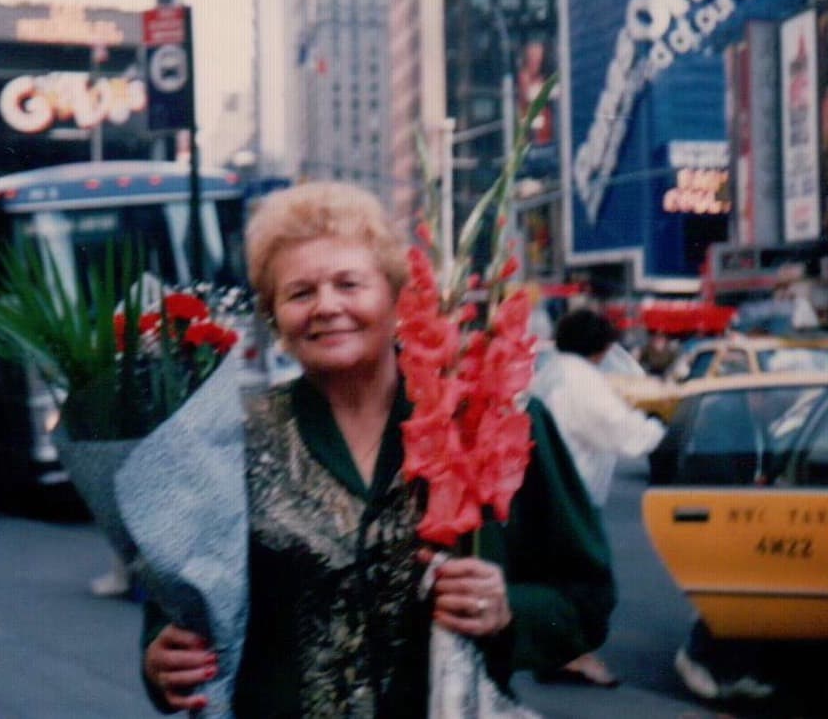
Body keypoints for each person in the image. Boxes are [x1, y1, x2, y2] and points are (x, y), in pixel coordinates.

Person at [141, 182, 615, 716]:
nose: (326, 307)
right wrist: (162, 659)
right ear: (274, 318)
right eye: (300, 293)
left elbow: (587, 597)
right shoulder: (232, 436)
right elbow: (179, 605)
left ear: (397, 299)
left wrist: (509, 611)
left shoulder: (489, 415)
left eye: (349, 284)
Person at [529, 307, 666, 687]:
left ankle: (558, 655)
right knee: (588, 584)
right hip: (573, 496)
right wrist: (664, 431)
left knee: (556, 581)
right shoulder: (584, 381)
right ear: (602, 347)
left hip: (546, 492)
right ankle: (577, 657)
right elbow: (623, 431)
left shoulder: (550, 374)